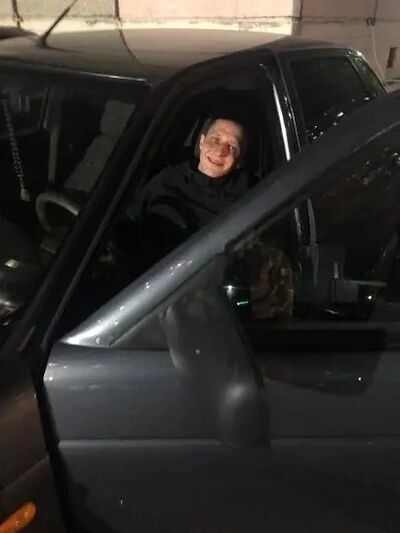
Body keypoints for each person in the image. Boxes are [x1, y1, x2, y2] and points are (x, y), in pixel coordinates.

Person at [130, 113, 294, 319]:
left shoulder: (251, 199)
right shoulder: (167, 179)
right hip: (144, 296)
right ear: (201, 142)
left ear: (240, 160)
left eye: (232, 147)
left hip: (208, 307)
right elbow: (128, 226)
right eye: (215, 140)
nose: (220, 151)